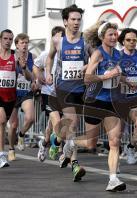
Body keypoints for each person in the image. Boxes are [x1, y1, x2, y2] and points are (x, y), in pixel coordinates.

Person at [63, 21, 126, 191]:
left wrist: (126, 81)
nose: (114, 37)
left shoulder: (118, 54)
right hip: (95, 101)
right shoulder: (98, 54)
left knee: (114, 140)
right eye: (110, 34)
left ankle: (113, 179)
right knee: (91, 144)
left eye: (115, 34)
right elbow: (87, 78)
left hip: (111, 102)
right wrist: (108, 76)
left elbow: (117, 73)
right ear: (102, 37)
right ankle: (73, 142)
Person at [46, 4, 88, 182]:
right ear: (65, 21)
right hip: (63, 88)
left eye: (79, 19)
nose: (77, 22)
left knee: (70, 129)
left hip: (81, 89)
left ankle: (56, 139)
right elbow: (49, 57)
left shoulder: (86, 42)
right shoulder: (58, 40)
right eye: (73, 19)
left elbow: (95, 59)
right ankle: (75, 163)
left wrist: (86, 68)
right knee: (74, 123)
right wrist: (48, 73)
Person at [33, 26, 65, 162]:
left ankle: (44, 143)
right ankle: (57, 148)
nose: (61, 39)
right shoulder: (46, 54)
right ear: (53, 38)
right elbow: (35, 66)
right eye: (58, 36)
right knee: (57, 123)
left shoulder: (67, 55)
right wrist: (40, 76)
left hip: (63, 95)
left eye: (63, 37)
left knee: (53, 126)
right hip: (48, 94)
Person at [0, 29, 31, 167]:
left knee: (7, 125)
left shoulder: (15, 56)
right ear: (0, 40)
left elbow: (29, 77)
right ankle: (2, 154)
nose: (8, 41)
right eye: (5, 38)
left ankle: (6, 148)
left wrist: (24, 68)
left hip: (12, 97)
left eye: (10, 39)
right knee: (2, 121)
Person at [116, 28, 137, 164]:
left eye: (134, 40)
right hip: (119, 97)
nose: (132, 42)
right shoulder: (117, 55)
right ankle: (115, 162)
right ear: (123, 41)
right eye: (128, 40)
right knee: (118, 132)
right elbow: (113, 74)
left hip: (136, 96)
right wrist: (126, 80)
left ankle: (130, 147)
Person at [8, 33, 36, 160]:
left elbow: (33, 75)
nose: (24, 45)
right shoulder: (11, 57)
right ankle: (11, 149)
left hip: (26, 92)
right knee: (13, 125)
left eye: (26, 43)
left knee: (30, 118)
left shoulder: (32, 57)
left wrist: (35, 81)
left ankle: (21, 134)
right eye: (22, 43)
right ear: (17, 45)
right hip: (12, 93)